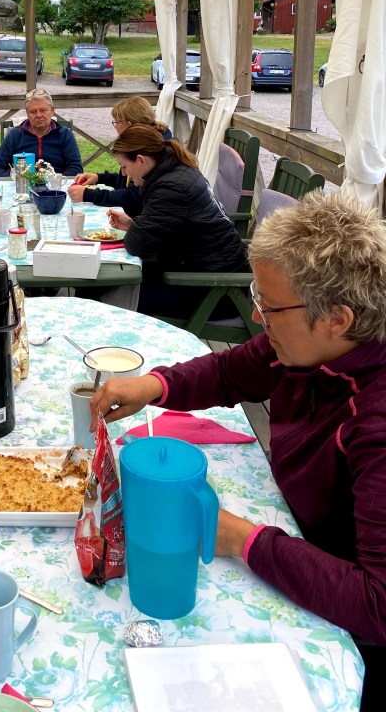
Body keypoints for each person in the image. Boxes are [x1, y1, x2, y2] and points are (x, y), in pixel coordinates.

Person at [89, 191, 386, 711]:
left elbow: (377, 605)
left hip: (345, 622)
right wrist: (153, 386)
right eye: (257, 296)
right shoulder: (305, 347)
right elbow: (230, 371)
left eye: (270, 306)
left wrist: (243, 539)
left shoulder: (375, 420)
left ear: (337, 319)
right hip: (296, 534)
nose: (256, 314)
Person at [104, 124, 249, 317]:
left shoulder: (171, 187)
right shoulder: (177, 170)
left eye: (124, 166)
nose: (124, 174)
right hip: (203, 271)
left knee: (109, 299)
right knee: (110, 283)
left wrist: (136, 230)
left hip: (217, 291)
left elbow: (137, 245)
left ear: (141, 160)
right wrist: (133, 225)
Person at [68, 97, 171, 215]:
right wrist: (99, 178)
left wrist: (89, 195)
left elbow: (132, 196)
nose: (115, 127)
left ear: (129, 125)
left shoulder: (149, 150)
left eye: (116, 122)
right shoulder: (145, 143)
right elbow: (126, 179)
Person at [0, 88, 83, 177]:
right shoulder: (15, 135)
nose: (38, 115)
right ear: (27, 113)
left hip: (56, 185)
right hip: (23, 184)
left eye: (43, 110)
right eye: (33, 111)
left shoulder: (64, 134)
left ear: (52, 111)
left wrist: (56, 181)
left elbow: (76, 168)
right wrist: (17, 179)